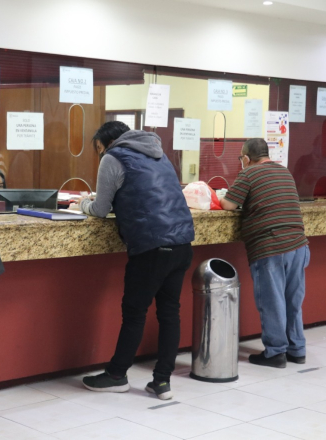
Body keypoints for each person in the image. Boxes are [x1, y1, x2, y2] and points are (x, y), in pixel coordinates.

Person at [76, 121, 195, 400]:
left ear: (109, 142)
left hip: (151, 245)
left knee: (134, 313)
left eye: (98, 148)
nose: (99, 153)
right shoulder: (159, 154)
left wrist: (81, 204)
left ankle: (117, 375)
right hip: (182, 243)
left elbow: (100, 209)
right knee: (169, 313)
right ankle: (162, 382)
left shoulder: (113, 157)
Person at [220, 138, 310, 368]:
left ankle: (276, 352)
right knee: (292, 300)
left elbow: (229, 205)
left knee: (272, 301)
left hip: (271, 246)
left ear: (246, 158)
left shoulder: (248, 174)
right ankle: (297, 350)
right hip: (298, 245)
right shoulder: (284, 172)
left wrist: (219, 197)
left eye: (241, 158)